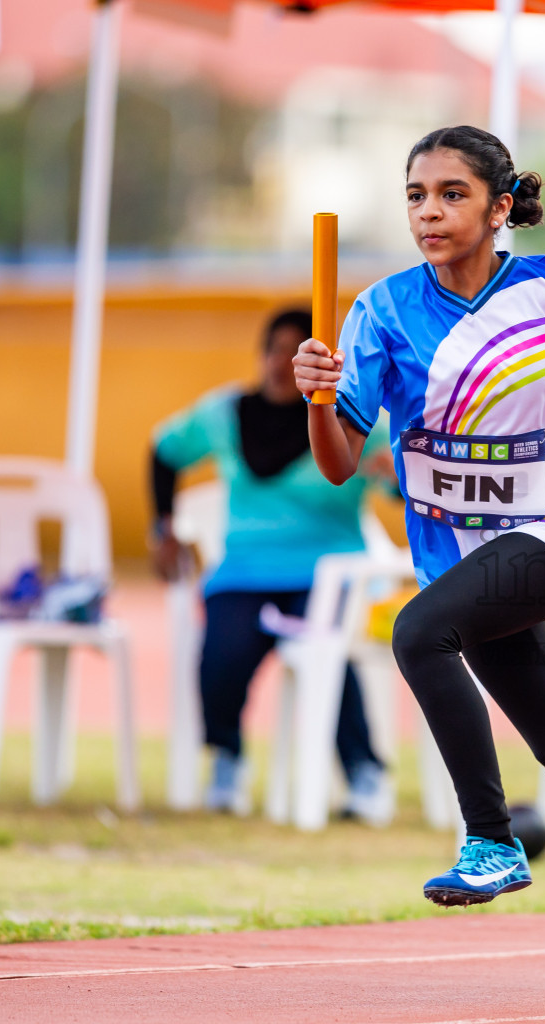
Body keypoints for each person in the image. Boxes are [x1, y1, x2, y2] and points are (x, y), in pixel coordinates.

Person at [293, 125, 545, 967]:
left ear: (501, 206)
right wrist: (317, 397)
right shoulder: (381, 311)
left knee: (417, 632)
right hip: (462, 556)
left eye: (452, 194)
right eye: (415, 196)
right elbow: (336, 465)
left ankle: (492, 839)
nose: (429, 212)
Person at [150, 308, 395, 824]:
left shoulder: (354, 421)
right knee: (222, 651)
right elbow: (164, 450)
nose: (282, 364)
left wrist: (396, 479)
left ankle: (364, 772)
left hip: (329, 571)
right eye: (274, 350)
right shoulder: (223, 413)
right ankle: (227, 759)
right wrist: (162, 527)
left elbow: (398, 485)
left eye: (296, 352)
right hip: (245, 570)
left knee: (325, 652)